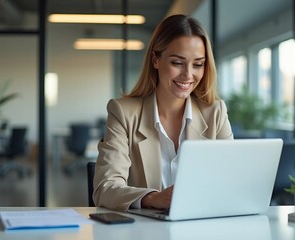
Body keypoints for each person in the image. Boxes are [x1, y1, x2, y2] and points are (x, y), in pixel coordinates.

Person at [93, 14, 234, 212]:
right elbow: (105, 189)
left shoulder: (215, 112)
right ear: (155, 60)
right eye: (177, 63)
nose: (188, 74)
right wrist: (153, 198)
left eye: (198, 64)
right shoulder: (123, 113)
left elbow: (232, 181)